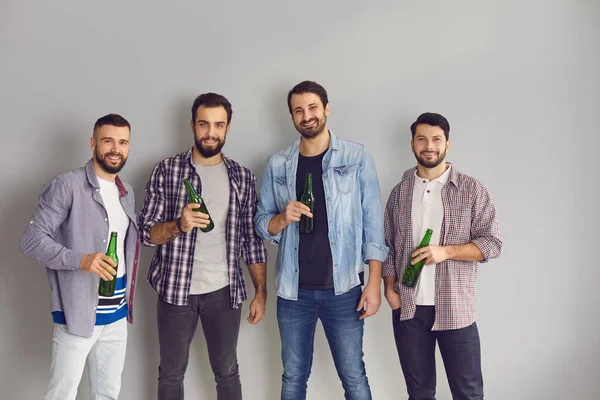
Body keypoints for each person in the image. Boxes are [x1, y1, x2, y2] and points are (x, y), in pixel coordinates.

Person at [254, 80, 388, 400]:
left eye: (313, 107)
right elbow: (262, 224)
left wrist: (373, 283)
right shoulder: (278, 164)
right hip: (292, 291)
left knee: (354, 376)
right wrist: (282, 218)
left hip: (344, 288)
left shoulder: (356, 157)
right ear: (292, 117)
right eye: (299, 110)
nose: (307, 115)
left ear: (326, 109)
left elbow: (372, 222)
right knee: (293, 377)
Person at [138, 93, 268, 400]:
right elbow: (146, 232)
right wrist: (178, 225)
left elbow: (251, 242)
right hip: (176, 290)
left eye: (218, 125)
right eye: (204, 124)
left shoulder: (241, 177)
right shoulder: (168, 171)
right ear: (192, 126)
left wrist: (259, 293)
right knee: (171, 372)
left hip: (224, 291)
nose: (211, 132)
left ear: (227, 127)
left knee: (227, 371)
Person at [382, 112, 503, 400]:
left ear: (447, 144)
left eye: (436, 139)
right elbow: (388, 246)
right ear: (412, 144)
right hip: (409, 309)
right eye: (422, 139)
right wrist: (389, 288)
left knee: (468, 393)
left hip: (456, 308)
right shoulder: (399, 193)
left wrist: (446, 251)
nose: (429, 145)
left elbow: (493, 243)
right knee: (419, 394)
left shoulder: (472, 190)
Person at [19, 114, 139, 400]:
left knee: (108, 394)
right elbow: (30, 240)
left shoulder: (126, 192)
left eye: (123, 142)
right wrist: (81, 260)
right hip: (78, 313)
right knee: (62, 394)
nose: (115, 149)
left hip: (117, 315)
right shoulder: (67, 185)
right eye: (108, 141)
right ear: (93, 143)